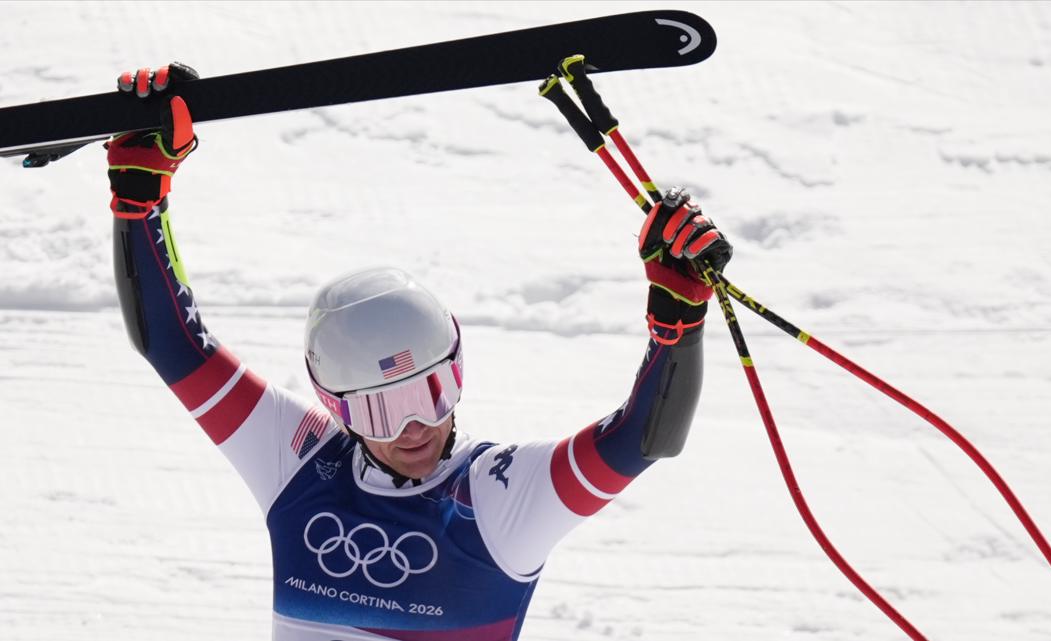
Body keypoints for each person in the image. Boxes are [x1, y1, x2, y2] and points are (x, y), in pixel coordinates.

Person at [107, 64, 733, 641]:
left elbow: (643, 440)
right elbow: (176, 349)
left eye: (430, 394)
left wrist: (678, 321)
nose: (415, 426)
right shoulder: (298, 462)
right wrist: (140, 197)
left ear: (456, 375)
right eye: (381, 411)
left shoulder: (498, 499)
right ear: (338, 410)